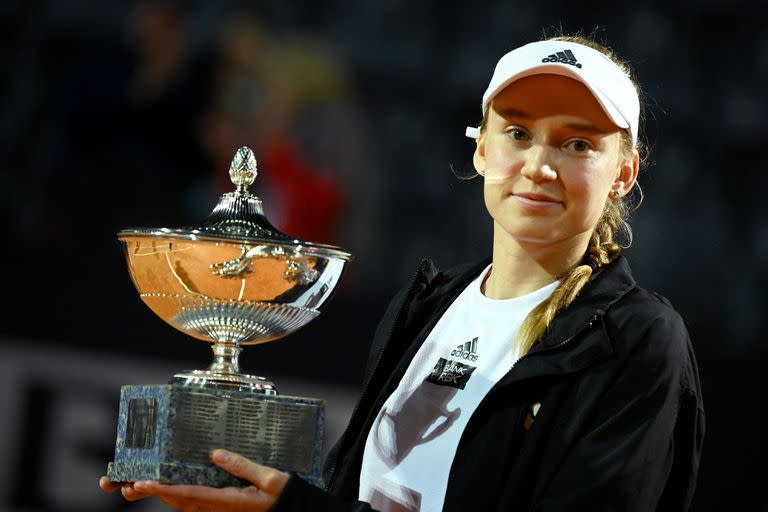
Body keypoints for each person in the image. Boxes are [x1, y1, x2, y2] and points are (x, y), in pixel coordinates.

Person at [99, 34, 705, 511]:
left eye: (579, 144)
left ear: (623, 173)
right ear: (482, 150)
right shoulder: (427, 306)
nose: (540, 165)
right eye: (518, 133)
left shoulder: (638, 341)